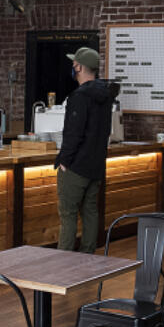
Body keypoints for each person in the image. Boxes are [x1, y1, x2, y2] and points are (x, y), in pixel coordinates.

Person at [56, 46, 120, 253]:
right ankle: (88, 259)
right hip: (96, 164)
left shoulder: (79, 97)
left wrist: (63, 160)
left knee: (68, 215)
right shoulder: (106, 94)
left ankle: (63, 262)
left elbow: (73, 133)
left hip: (76, 166)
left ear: (79, 66)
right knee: (91, 211)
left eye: (74, 64)